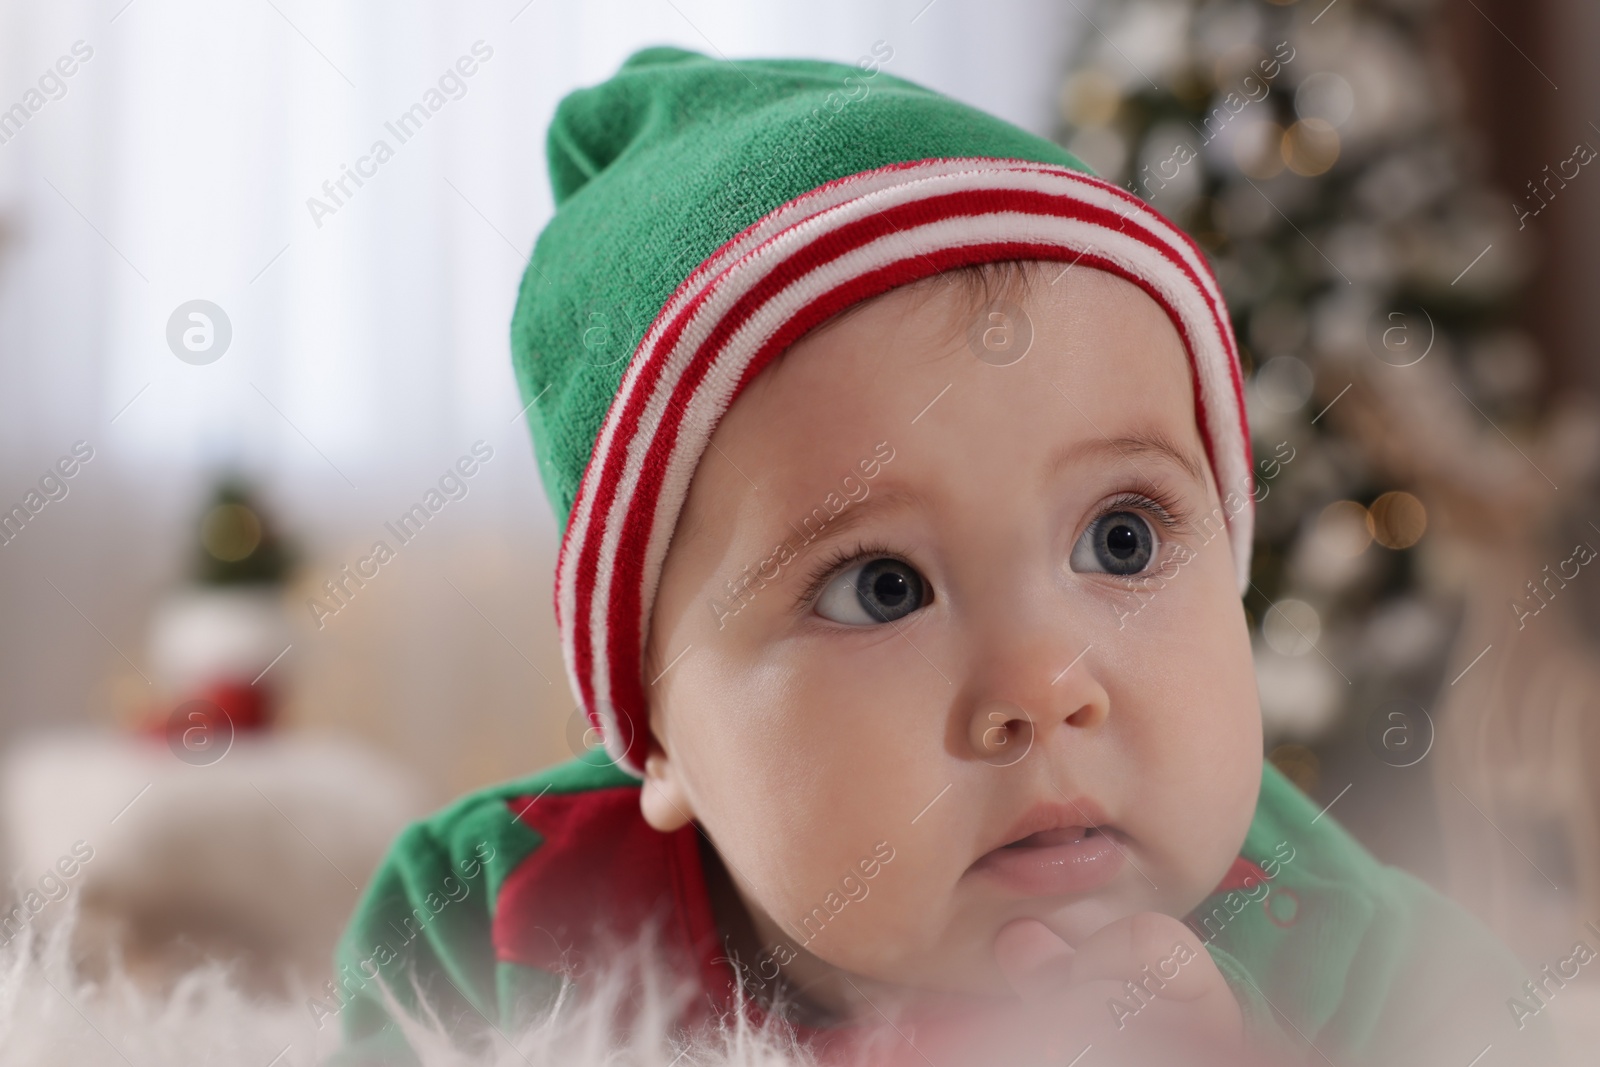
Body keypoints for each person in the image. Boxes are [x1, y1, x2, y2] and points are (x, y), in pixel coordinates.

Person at [326, 47, 1554, 1066]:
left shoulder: (1320, 930)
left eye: (1120, 540)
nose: (1044, 685)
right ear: (653, 731)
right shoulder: (492, 916)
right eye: (881, 586)